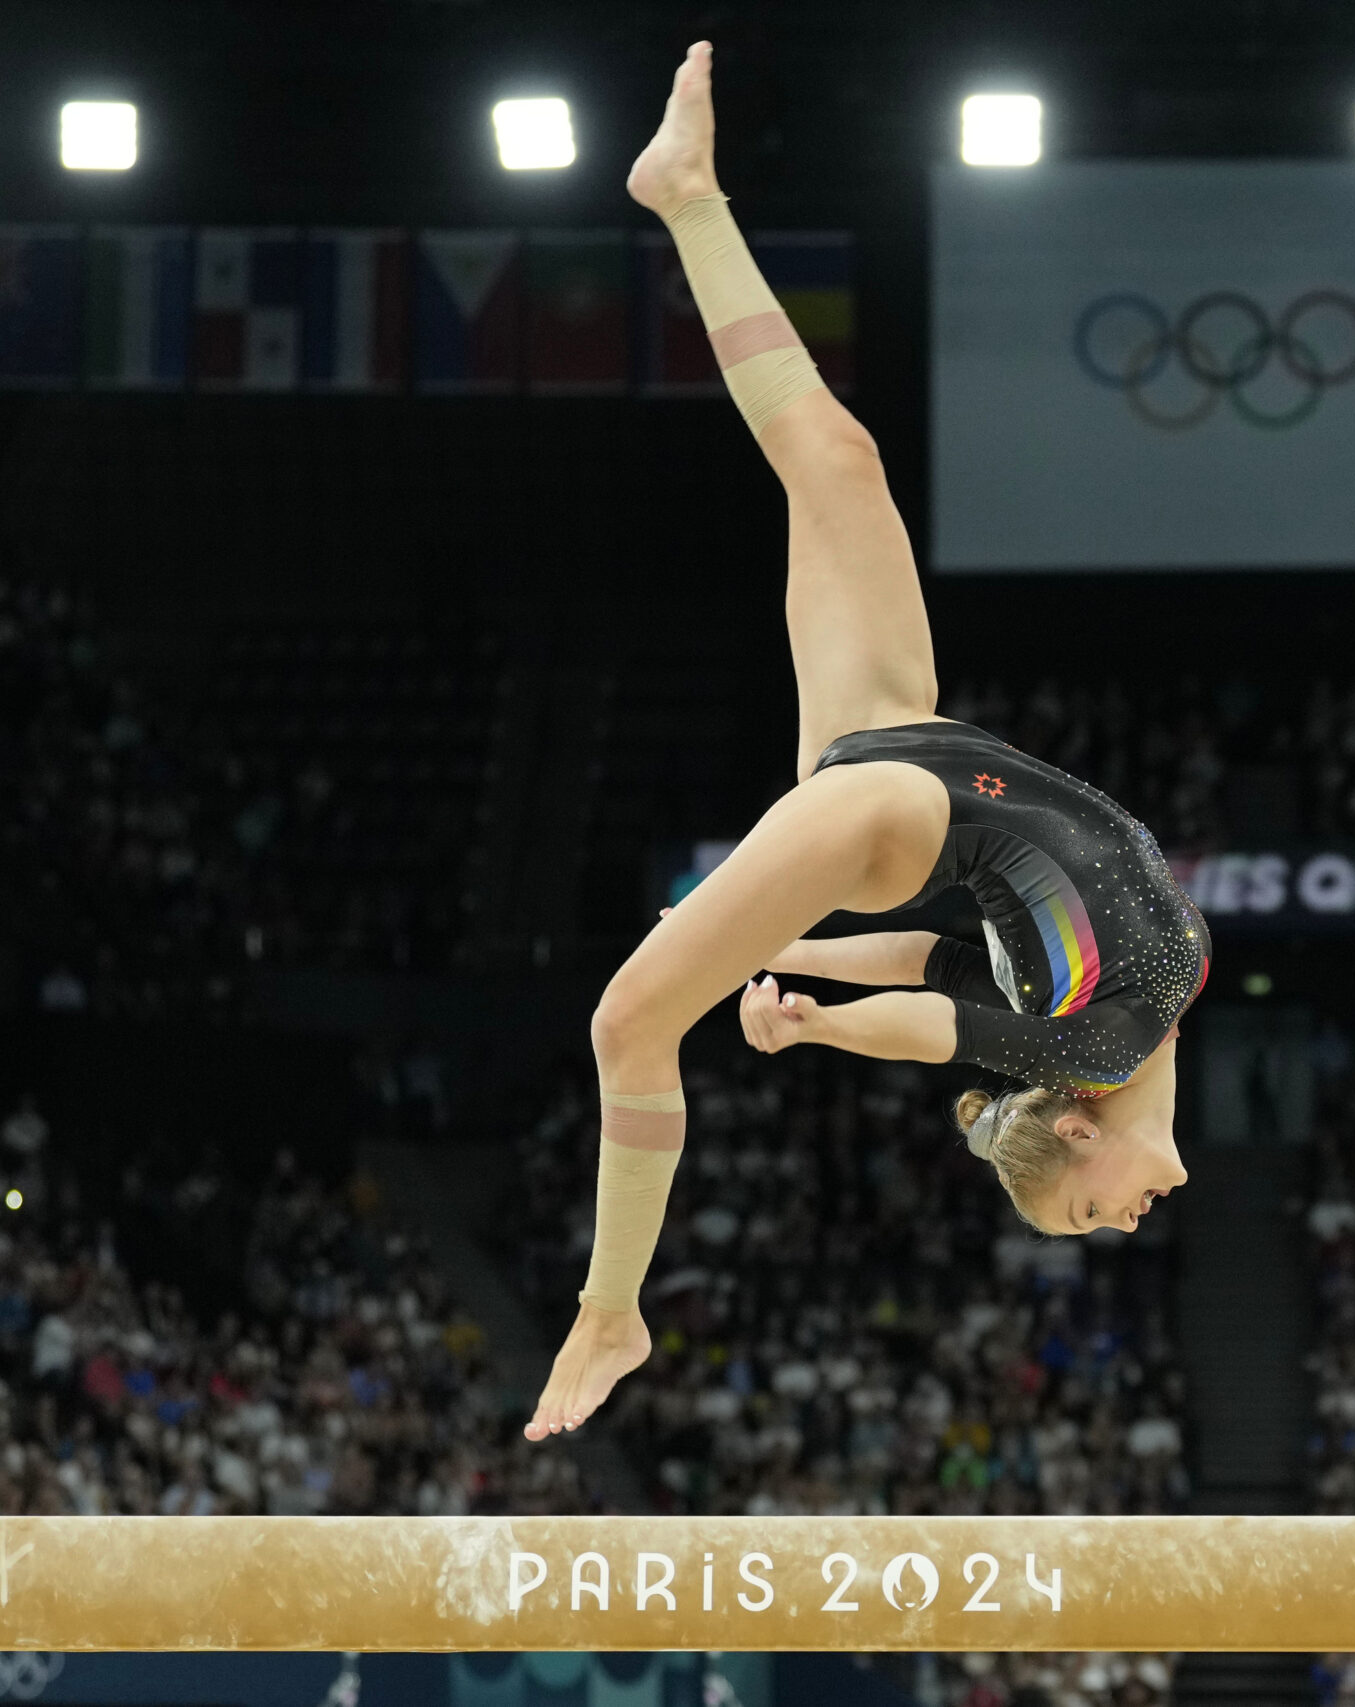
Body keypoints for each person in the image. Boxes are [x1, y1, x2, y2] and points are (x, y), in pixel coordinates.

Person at [525, 44, 1208, 1443]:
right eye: (1101, 1224)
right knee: (835, 458)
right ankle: (687, 198)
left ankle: (611, 1307)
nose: (1122, 1223)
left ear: (1075, 1132)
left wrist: (801, 999)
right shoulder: (1128, 1013)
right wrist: (791, 973)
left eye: (1089, 1215)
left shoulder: (1091, 1044)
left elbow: (928, 1018)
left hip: (896, 809)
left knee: (629, 1023)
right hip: (904, 751)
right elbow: (929, 980)